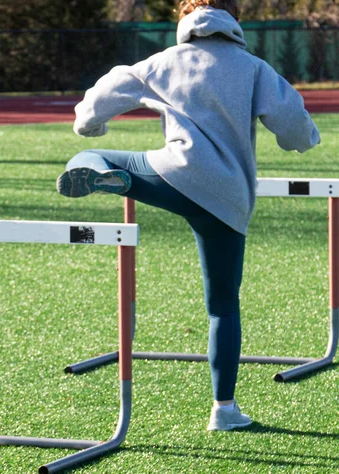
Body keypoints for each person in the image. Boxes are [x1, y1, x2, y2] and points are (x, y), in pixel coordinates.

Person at [57, 0, 321, 431]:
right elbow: (294, 123)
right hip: (229, 199)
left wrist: (92, 126)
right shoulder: (253, 68)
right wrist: (304, 139)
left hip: (172, 177)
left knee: (91, 155)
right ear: (233, 20)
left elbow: (97, 102)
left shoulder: (161, 62)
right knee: (222, 306)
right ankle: (225, 410)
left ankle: (104, 174)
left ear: (185, 20)